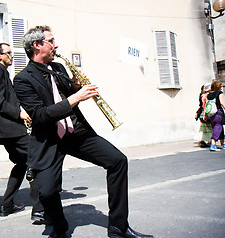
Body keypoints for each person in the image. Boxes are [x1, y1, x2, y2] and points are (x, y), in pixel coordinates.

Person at [13, 25, 153, 238]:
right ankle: (59, 227)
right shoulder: (22, 79)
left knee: (118, 161)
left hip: (75, 132)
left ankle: (118, 227)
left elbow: (64, 94)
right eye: (51, 40)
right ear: (37, 45)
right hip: (49, 140)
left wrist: (77, 87)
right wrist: (75, 97)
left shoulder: (58, 68)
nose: (55, 44)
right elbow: (40, 115)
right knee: (48, 191)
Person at [0, 43, 49, 224]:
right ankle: (39, 210)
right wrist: (19, 113)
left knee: (21, 164)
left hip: (7, 129)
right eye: (9, 53)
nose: (12, 56)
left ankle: (6, 204)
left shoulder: (1, 71)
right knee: (36, 161)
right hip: (10, 128)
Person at [205, 81, 225, 151]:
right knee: (218, 127)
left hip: (211, 113)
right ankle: (213, 144)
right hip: (218, 112)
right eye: (221, 86)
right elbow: (222, 103)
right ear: (219, 87)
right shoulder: (220, 93)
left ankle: (223, 143)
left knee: (218, 126)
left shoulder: (209, 95)